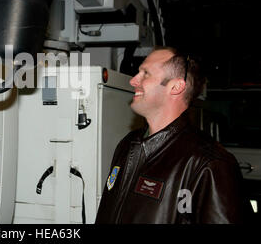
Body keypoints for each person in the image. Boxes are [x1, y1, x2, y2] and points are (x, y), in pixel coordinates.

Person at [96, 46, 250, 224]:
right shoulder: (128, 144)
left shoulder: (209, 163)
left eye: (145, 73)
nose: (133, 81)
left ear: (176, 87)